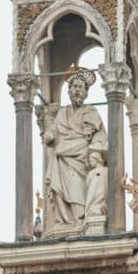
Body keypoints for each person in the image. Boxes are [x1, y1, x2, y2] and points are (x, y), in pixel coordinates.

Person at [43, 69, 108, 237]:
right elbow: (53, 129)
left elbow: (100, 136)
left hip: (81, 157)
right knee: (59, 177)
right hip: (63, 158)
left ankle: (79, 218)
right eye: (74, 87)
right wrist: (50, 134)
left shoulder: (91, 112)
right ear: (69, 91)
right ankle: (65, 220)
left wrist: (94, 149)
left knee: (78, 188)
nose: (77, 90)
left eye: (80, 87)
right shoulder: (62, 112)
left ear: (86, 92)